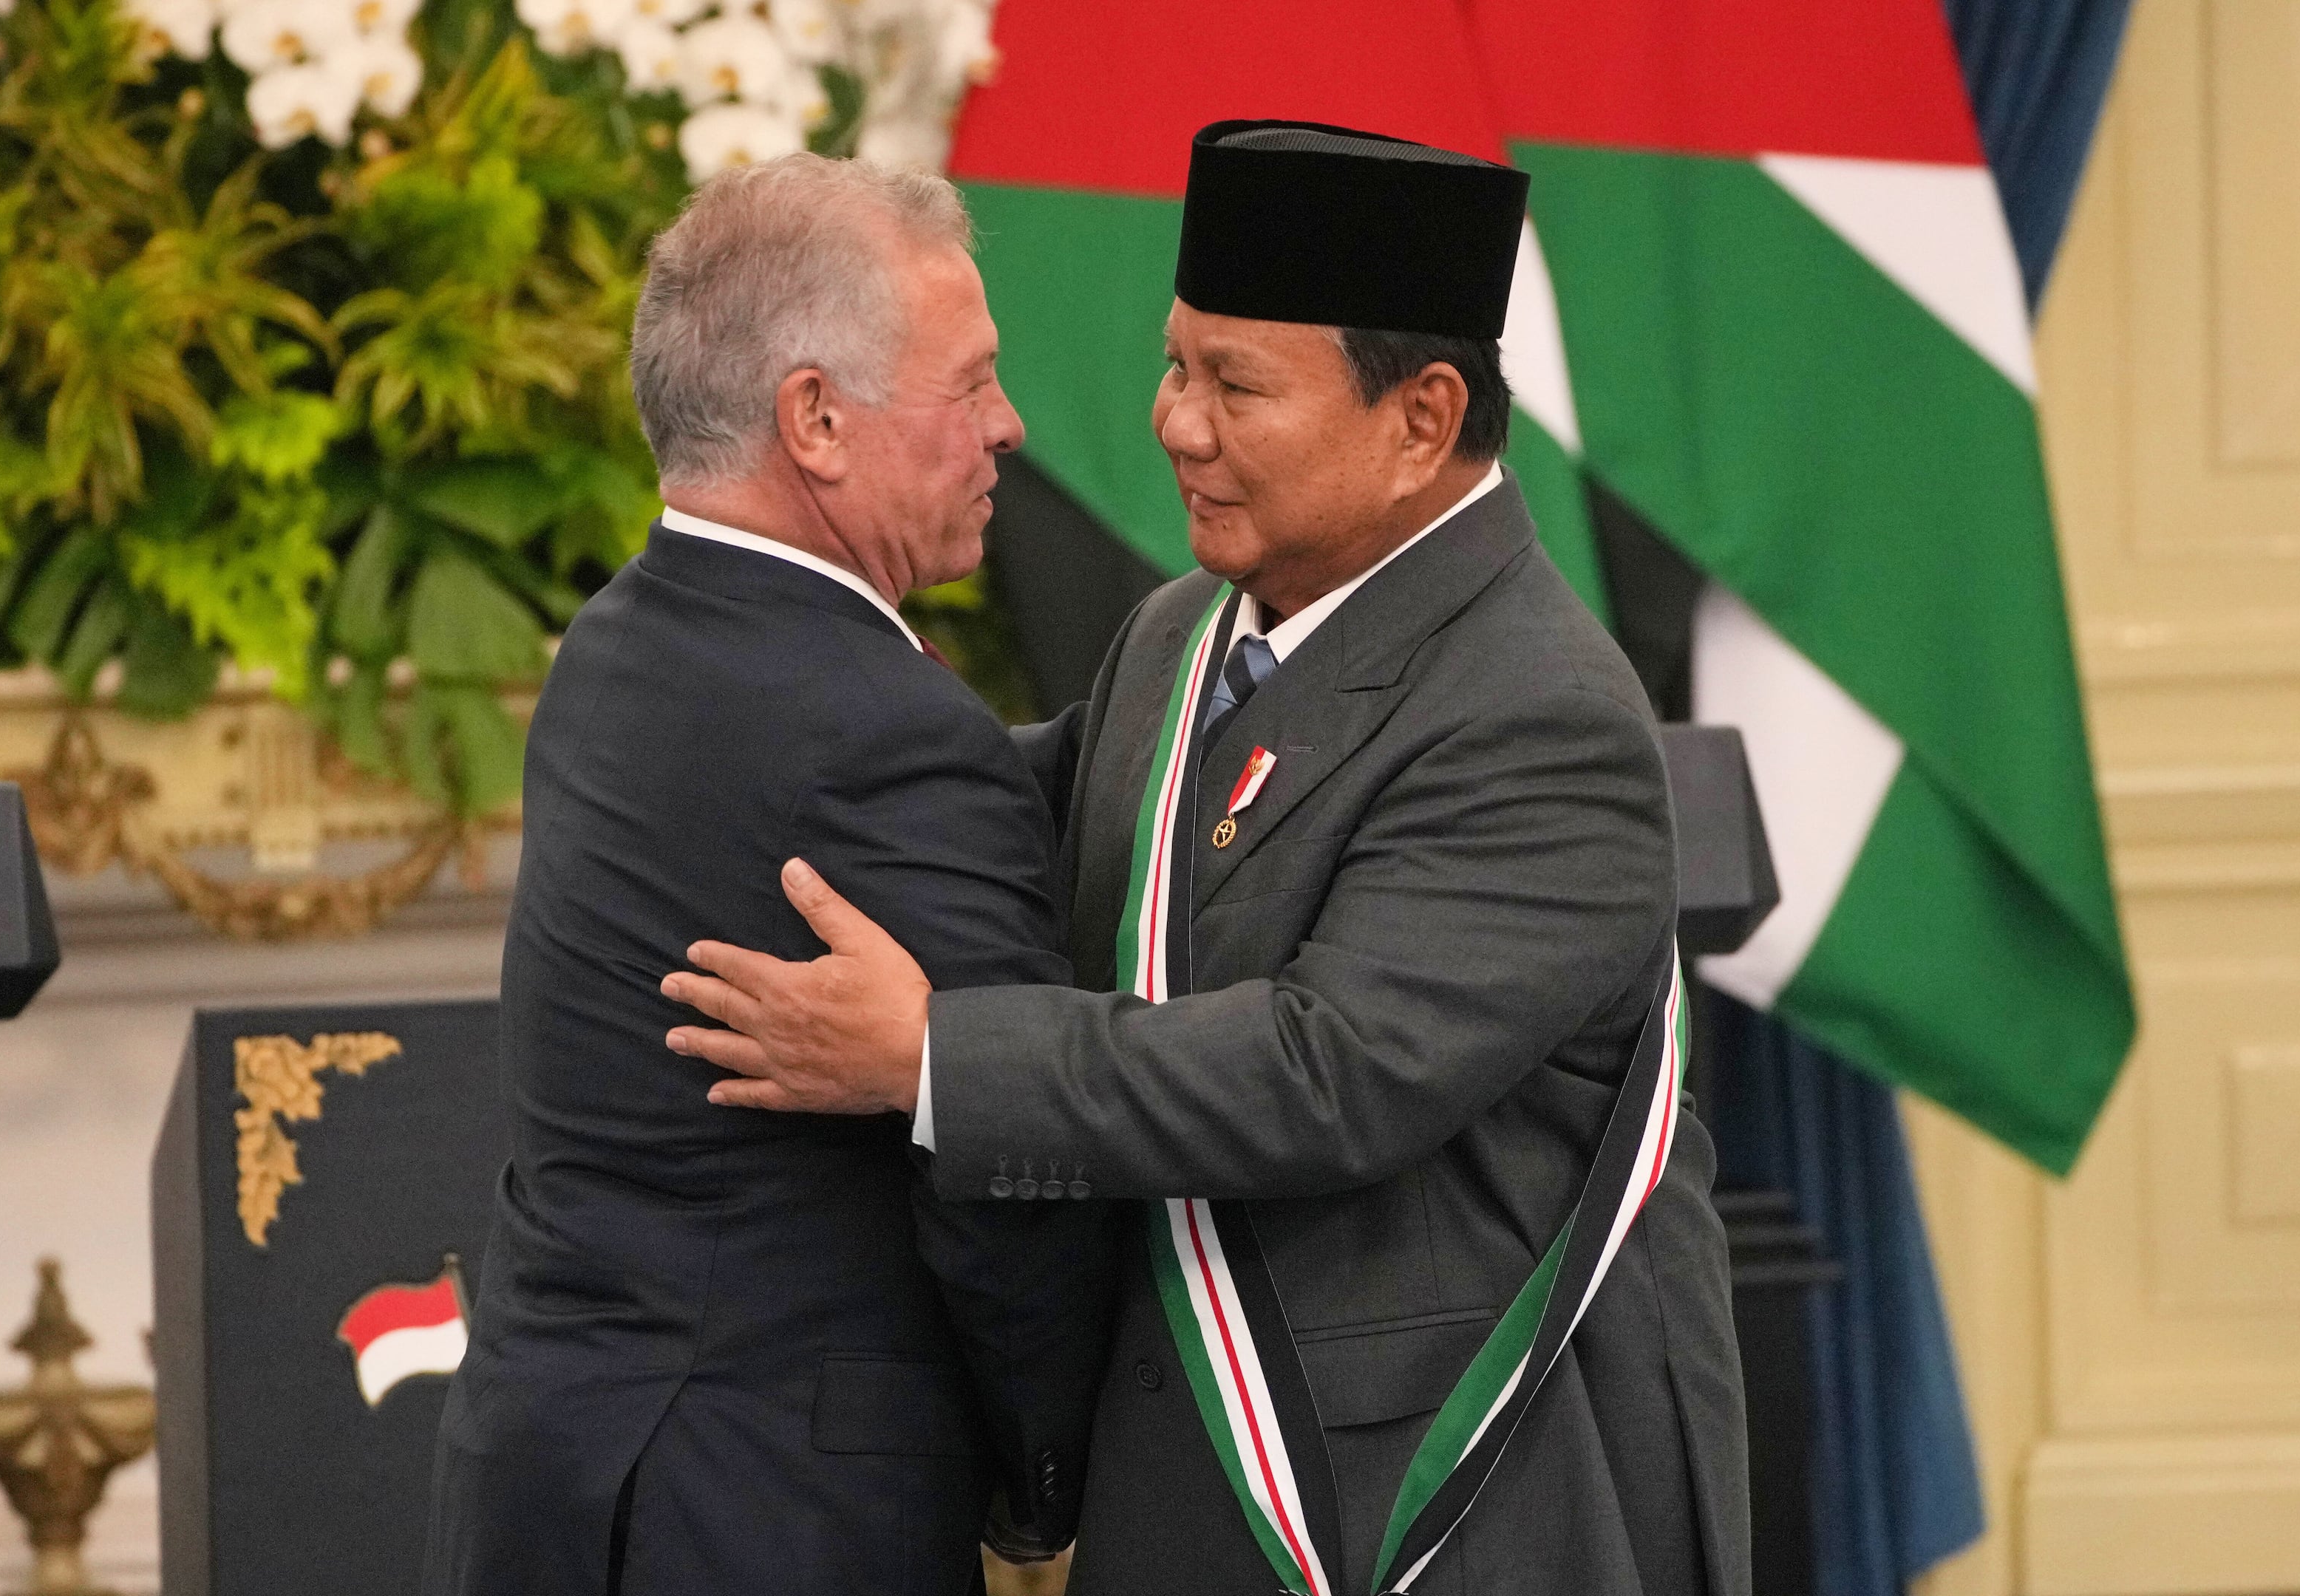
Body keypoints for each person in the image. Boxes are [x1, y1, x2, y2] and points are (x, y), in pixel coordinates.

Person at [659, 122, 1752, 1596]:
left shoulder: (1538, 711)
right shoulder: (1181, 633)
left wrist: (931, 1060)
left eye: (1236, 385)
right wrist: (735, 689)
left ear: (1423, 420)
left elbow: (1331, 1075)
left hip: (1433, 1512)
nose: (1175, 422)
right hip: (1178, 1501)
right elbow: (973, 819)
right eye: (1179, 365)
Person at [422, 154, 1115, 1596]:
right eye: (972, 383)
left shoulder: (613, 649)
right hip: (769, 1518)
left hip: (548, 1481)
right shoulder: (891, 733)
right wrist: (1046, 1489)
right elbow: (1015, 1200)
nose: (1010, 427)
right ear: (818, 419)